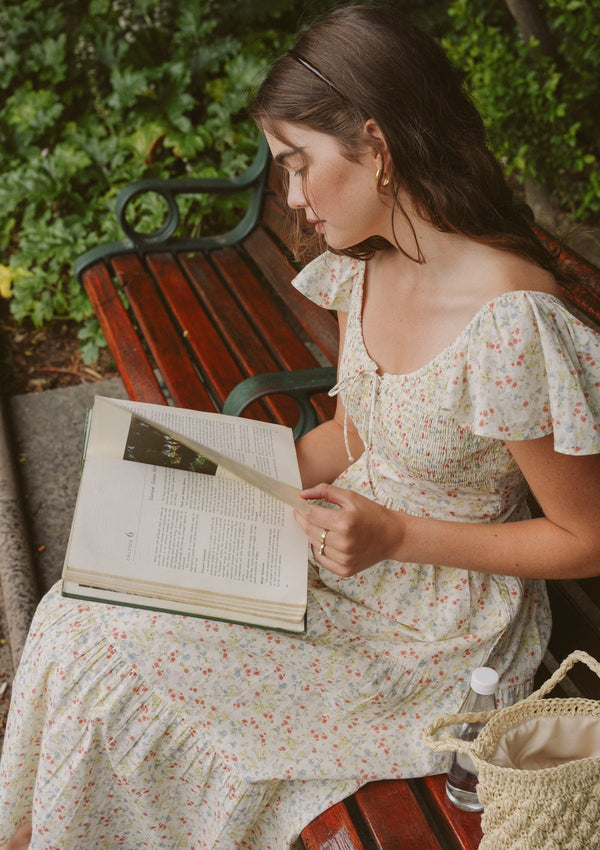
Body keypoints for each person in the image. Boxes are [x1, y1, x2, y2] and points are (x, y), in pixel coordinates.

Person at [2, 4, 600, 848]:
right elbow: (350, 440)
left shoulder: (511, 322)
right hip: (335, 550)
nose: (289, 197)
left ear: (377, 144)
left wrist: (394, 537)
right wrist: (211, 471)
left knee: (122, 661)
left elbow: (584, 536)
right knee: (78, 612)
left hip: (434, 628)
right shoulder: (372, 266)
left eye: (297, 165)